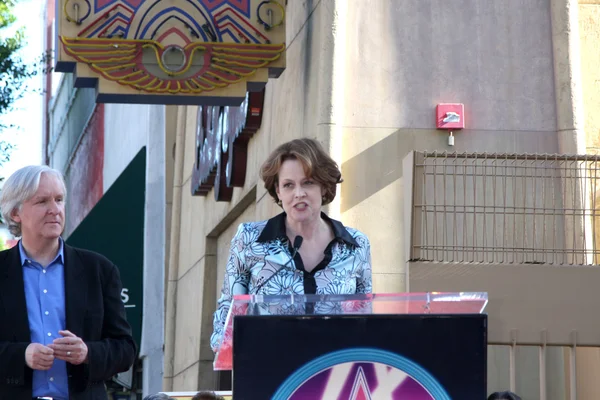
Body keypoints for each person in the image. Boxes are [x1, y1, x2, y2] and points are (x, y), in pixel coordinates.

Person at [211, 138, 372, 351]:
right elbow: (228, 315)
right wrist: (227, 345)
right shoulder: (249, 240)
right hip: (268, 371)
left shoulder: (356, 246)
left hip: (334, 372)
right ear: (278, 192)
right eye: (288, 185)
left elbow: (366, 321)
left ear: (324, 187)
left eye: (308, 182)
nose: (299, 193)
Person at [0, 166, 136, 400]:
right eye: (42, 201)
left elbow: (125, 350)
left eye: (59, 200)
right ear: (15, 213)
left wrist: (87, 352)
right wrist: (21, 355)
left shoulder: (99, 270)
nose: (55, 210)